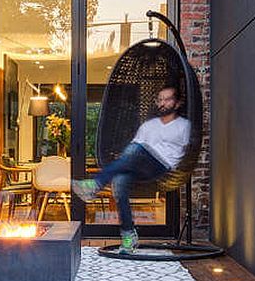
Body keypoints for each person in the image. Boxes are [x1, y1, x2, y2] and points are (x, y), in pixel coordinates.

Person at [73, 83, 191, 254]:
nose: (163, 103)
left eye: (168, 99)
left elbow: (188, 152)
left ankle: (95, 184)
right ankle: (129, 236)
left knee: (136, 148)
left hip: (163, 167)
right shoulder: (148, 126)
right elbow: (132, 153)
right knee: (120, 181)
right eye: (160, 100)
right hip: (140, 166)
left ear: (177, 103)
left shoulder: (184, 126)